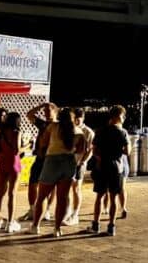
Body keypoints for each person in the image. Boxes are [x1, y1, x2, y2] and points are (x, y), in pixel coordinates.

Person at [28, 108, 85, 237]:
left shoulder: (53, 127)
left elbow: (43, 142)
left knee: (42, 196)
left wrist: (44, 153)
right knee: (62, 198)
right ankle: (57, 228)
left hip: (51, 161)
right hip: (69, 163)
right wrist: (75, 162)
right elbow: (82, 150)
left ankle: (35, 225)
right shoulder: (79, 132)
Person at [88, 105, 130, 236]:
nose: (124, 119)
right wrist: (118, 150)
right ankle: (111, 226)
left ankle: (96, 224)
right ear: (118, 116)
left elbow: (94, 150)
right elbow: (127, 151)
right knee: (113, 198)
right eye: (123, 116)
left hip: (102, 167)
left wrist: (101, 158)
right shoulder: (123, 132)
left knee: (99, 197)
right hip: (116, 168)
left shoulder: (100, 131)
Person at [20, 102, 57, 222]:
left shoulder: (57, 126)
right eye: (44, 111)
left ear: (55, 112)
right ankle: (32, 209)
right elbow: (30, 114)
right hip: (40, 158)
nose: (45, 113)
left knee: (51, 186)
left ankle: (47, 210)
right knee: (33, 183)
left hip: (51, 158)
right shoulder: (43, 124)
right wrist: (41, 106)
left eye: (48, 111)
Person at [0, 112, 23, 233]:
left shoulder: (0, 134)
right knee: (12, 193)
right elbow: (16, 150)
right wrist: (25, 146)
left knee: (0, 193)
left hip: (3, 164)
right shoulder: (17, 133)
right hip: (14, 164)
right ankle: (10, 223)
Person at [64, 108, 95, 226]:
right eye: (75, 118)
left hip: (79, 163)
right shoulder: (69, 129)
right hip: (68, 162)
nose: (76, 120)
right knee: (66, 187)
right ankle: (67, 211)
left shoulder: (88, 132)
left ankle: (75, 214)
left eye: (79, 118)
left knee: (76, 188)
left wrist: (82, 161)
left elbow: (90, 150)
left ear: (83, 118)